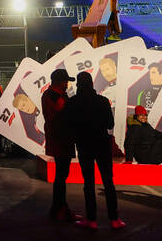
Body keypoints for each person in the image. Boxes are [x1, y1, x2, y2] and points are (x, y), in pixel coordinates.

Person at [68, 71, 124, 229]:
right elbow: (109, 125)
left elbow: (69, 125)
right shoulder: (103, 101)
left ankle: (91, 220)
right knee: (108, 182)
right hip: (102, 144)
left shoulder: (73, 102)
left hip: (84, 144)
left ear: (78, 84)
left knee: (88, 183)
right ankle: (114, 219)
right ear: (92, 83)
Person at [42, 68, 79, 222]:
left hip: (62, 139)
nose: (67, 84)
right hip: (60, 140)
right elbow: (56, 116)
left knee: (62, 175)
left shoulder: (56, 95)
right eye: (65, 81)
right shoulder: (52, 96)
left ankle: (59, 208)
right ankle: (59, 209)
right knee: (61, 176)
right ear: (59, 82)